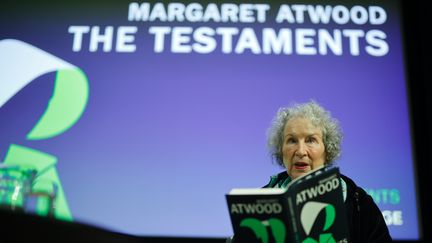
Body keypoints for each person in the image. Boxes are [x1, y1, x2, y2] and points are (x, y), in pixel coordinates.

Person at [262, 100, 392, 242]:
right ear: (281, 150)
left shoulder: (360, 203)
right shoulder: (260, 203)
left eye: (311, 140)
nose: (300, 151)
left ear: (327, 150)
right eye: (292, 140)